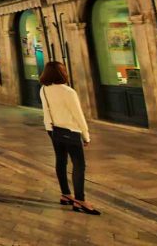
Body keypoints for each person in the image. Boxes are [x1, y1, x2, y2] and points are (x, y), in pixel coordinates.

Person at [40, 61, 99, 215]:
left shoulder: (44, 90)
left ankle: (65, 194)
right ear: (62, 73)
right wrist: (86, 135)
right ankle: (80, 200)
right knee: (79, 164)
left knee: (61, 160)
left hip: (53, 130)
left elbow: (46, 111)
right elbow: (78, 115)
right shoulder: (68, 92)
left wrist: (49, 127)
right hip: (71, 130)